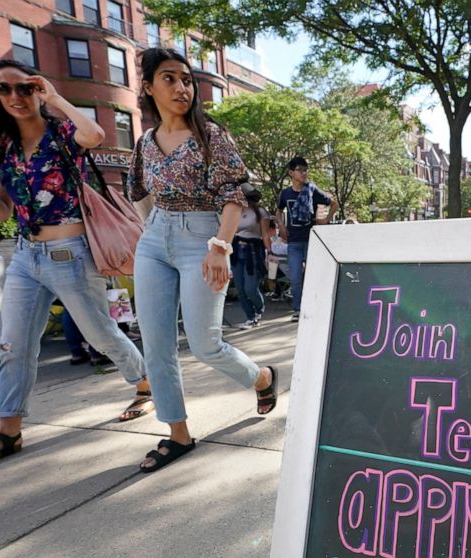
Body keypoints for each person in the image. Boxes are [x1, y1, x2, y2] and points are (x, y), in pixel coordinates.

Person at [0, 60, 151, 472]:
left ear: (37, 90)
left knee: (100, 333)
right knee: (13, 345)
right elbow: (4, 212)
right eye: (4, 89)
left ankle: (146, 384)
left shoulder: (61, 133)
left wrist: (56, 98)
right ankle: (8, 431)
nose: (15, 97)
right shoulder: (2, 148)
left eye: (25, 88)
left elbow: (95, 135)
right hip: (25, 257)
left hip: (70, 253)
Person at [128, 48, 276, 473]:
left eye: (187, 79)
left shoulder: (211, 135)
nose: (181, 87)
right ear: (148, 87)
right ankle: (177, 433)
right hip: (155, 240)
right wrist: (152, 230)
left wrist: (219, 246)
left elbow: (234, 195)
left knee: (205, 343)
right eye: (169, 78)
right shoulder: (145, 143)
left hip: (204, 239)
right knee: (156, 344)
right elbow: (137, 191)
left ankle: (262, 378)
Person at [275, 156, 338, 322]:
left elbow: (334, 204)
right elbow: (278, 211)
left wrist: (326, 220)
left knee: (314, 276)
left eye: (305, 170)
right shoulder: (286, 193)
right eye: (300, 170)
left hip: (311, 241)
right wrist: (281, 226)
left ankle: (316, 307)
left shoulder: (312, 190)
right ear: (291, 173)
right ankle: (298, 310)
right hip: (294, 242)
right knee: (295, 278)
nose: (303, 173)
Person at [232, 188, 271, 328]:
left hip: (253, 250)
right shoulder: (235, 211)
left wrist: (270, 253)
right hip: (236, 250)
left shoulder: (260, 212)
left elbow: (265, 234)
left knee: (250, 288)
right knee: (240, 289)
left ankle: (259, 308)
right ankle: (250, 316)